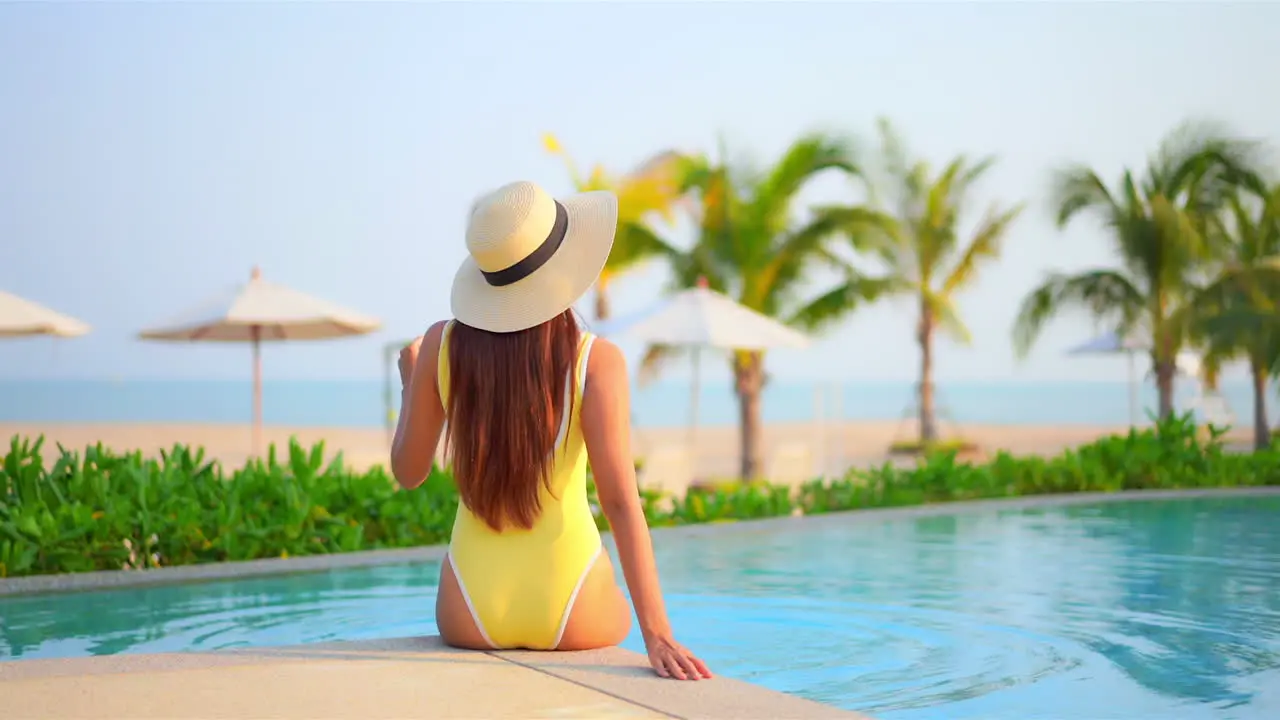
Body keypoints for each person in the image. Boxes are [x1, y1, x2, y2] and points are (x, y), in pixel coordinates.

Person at [390, 180, 712, 681]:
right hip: (572, 607)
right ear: (566, 268)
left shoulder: (439, 344)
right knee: (618, 607)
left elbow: (408, 472)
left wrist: (414, 383)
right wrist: (658, 632)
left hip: (468, 612)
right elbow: (621, 501)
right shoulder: (596, 361)